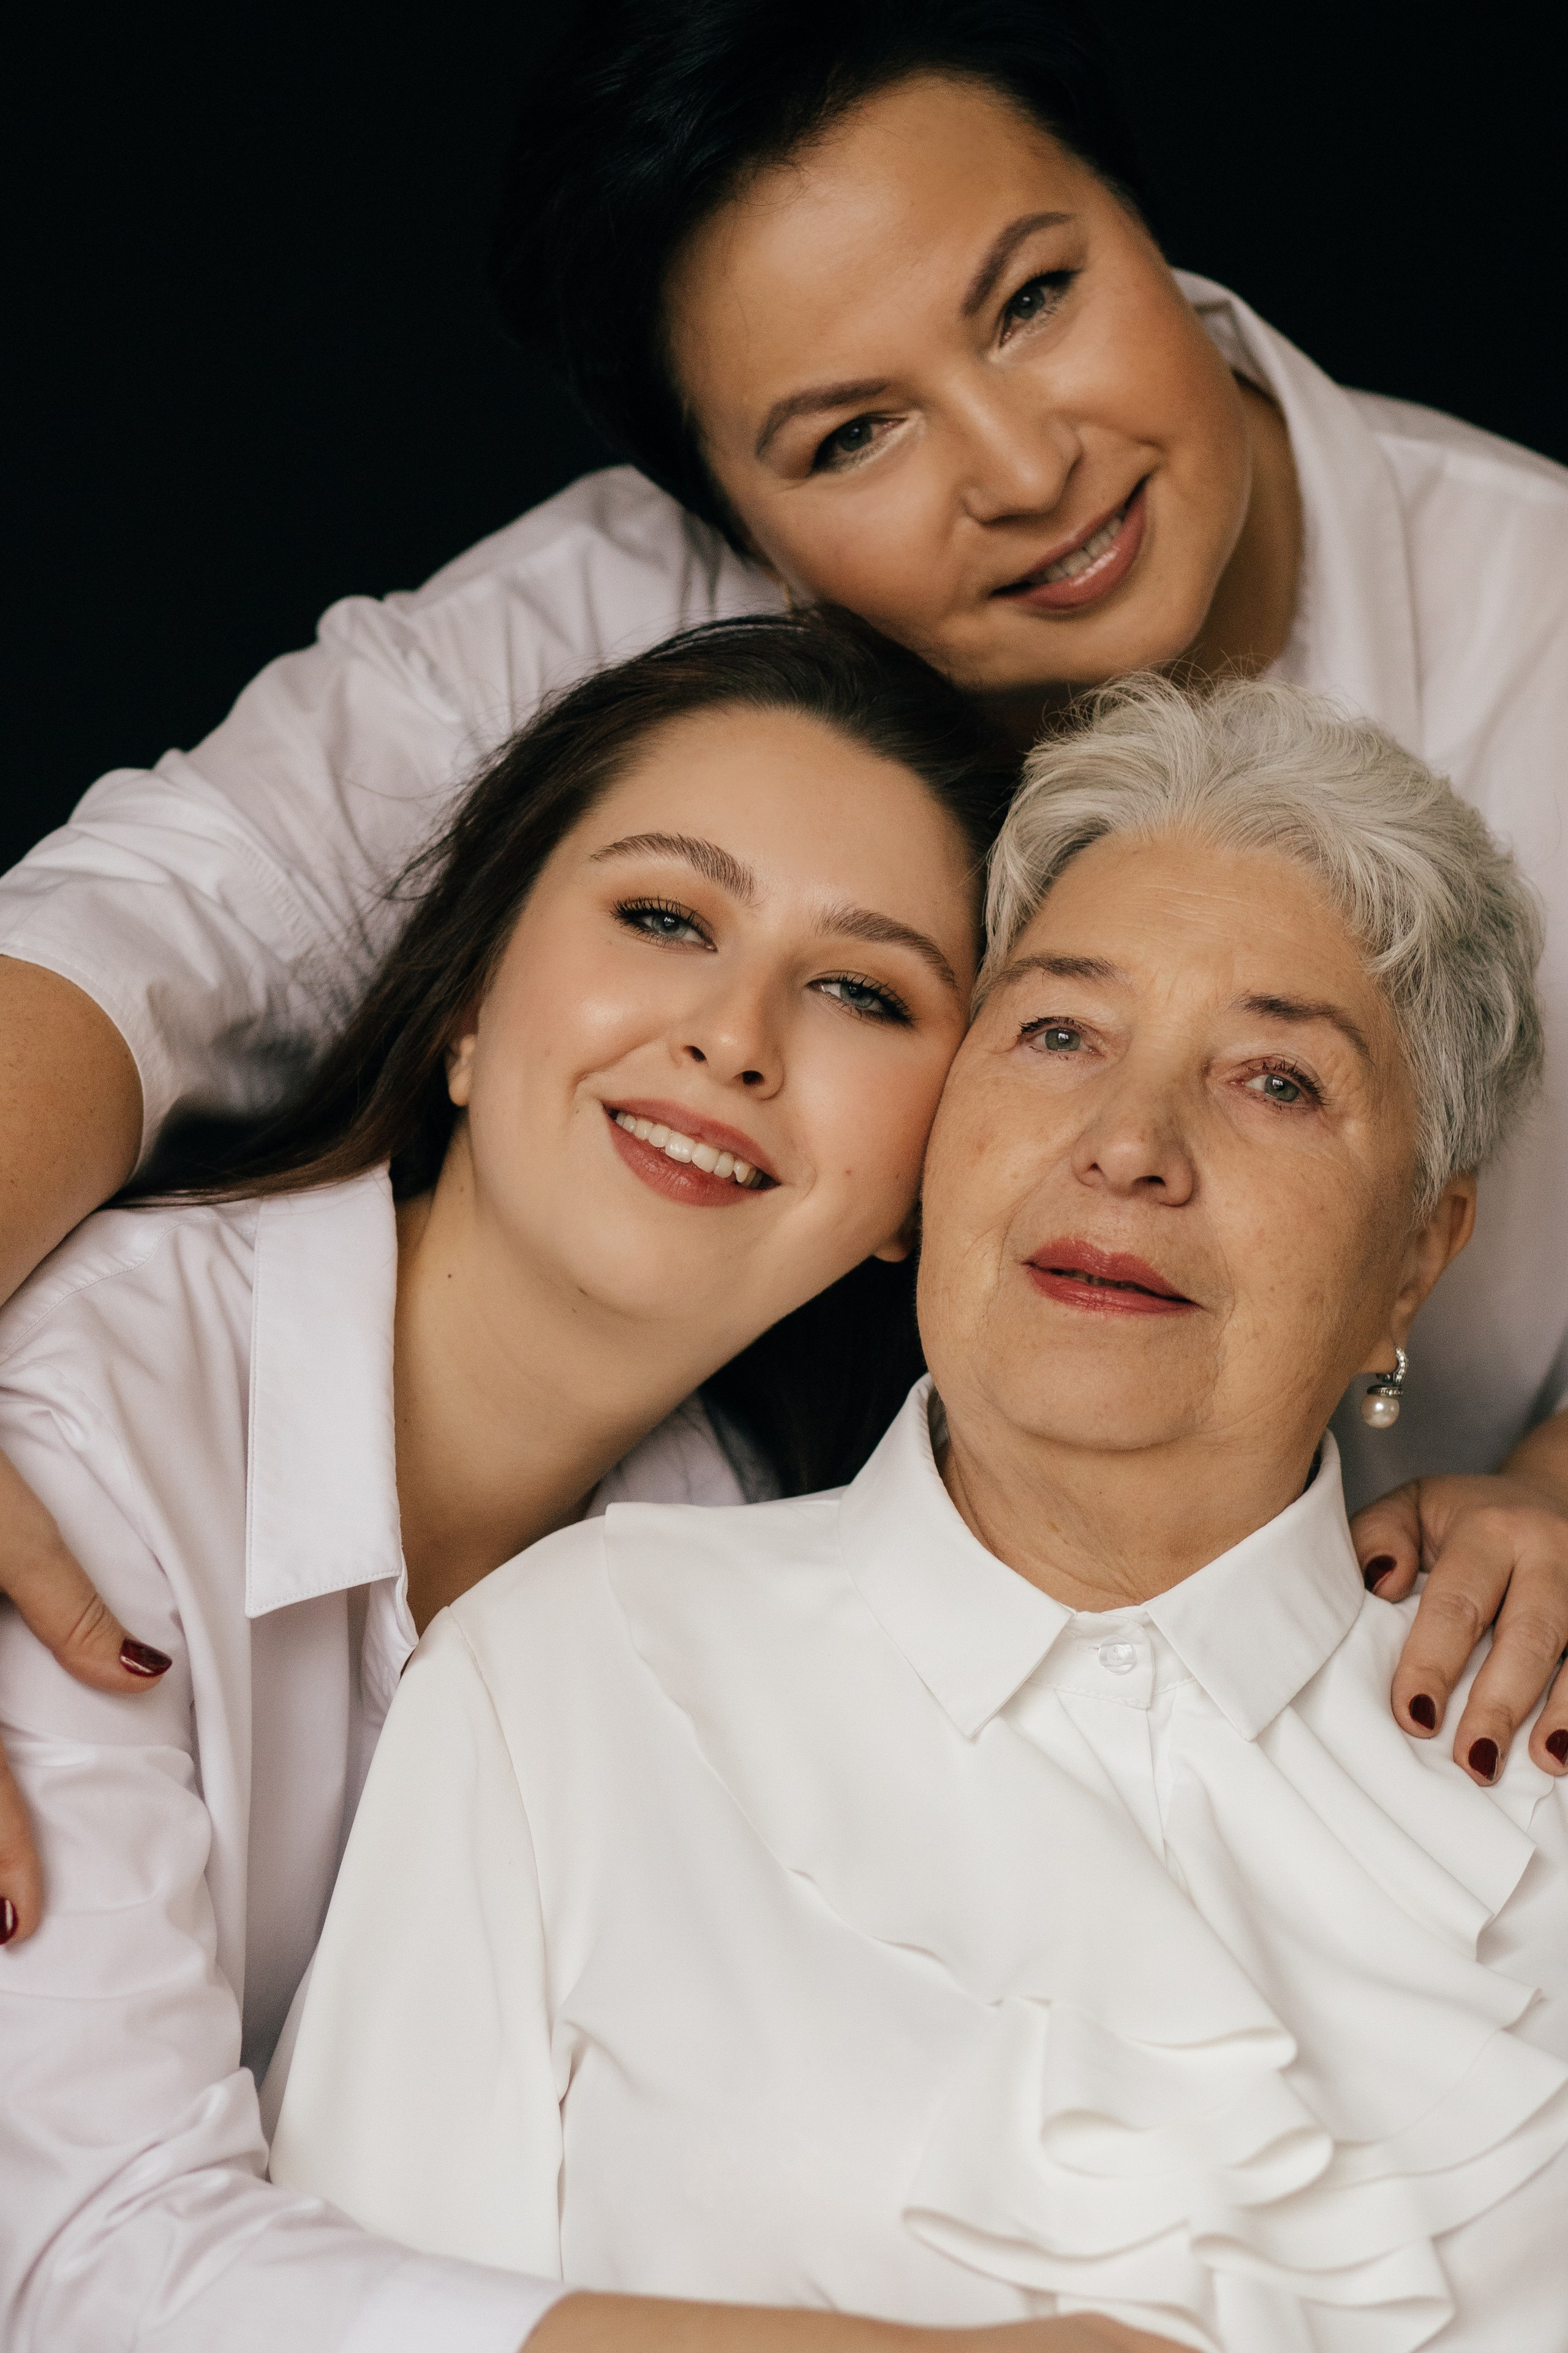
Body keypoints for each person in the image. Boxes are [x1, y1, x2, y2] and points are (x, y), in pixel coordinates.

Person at [1, 9, 1566, 1922]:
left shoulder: (1546, 614)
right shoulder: (627, 604)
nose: (1021, 462)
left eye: (1035, 299)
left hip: (1418, 1781)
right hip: (868, 1825)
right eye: (853, 435)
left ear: (1145, 220)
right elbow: (160, 908)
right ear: (729, 518)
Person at [271, 677, 1566, 2352]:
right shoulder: (565, 1677)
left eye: (1276, 1081)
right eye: (1057, 1033)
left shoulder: (1526, 1767)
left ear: (1420, 1249)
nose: (1129, 1144)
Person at [0, 613, 1075, 2353]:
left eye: (864, 989)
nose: (735, 1036)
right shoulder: (82, 1426)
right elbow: (87, 2270)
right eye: (664, 916)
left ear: (918, 1192)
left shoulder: (767, 1565)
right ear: (472, 1007)